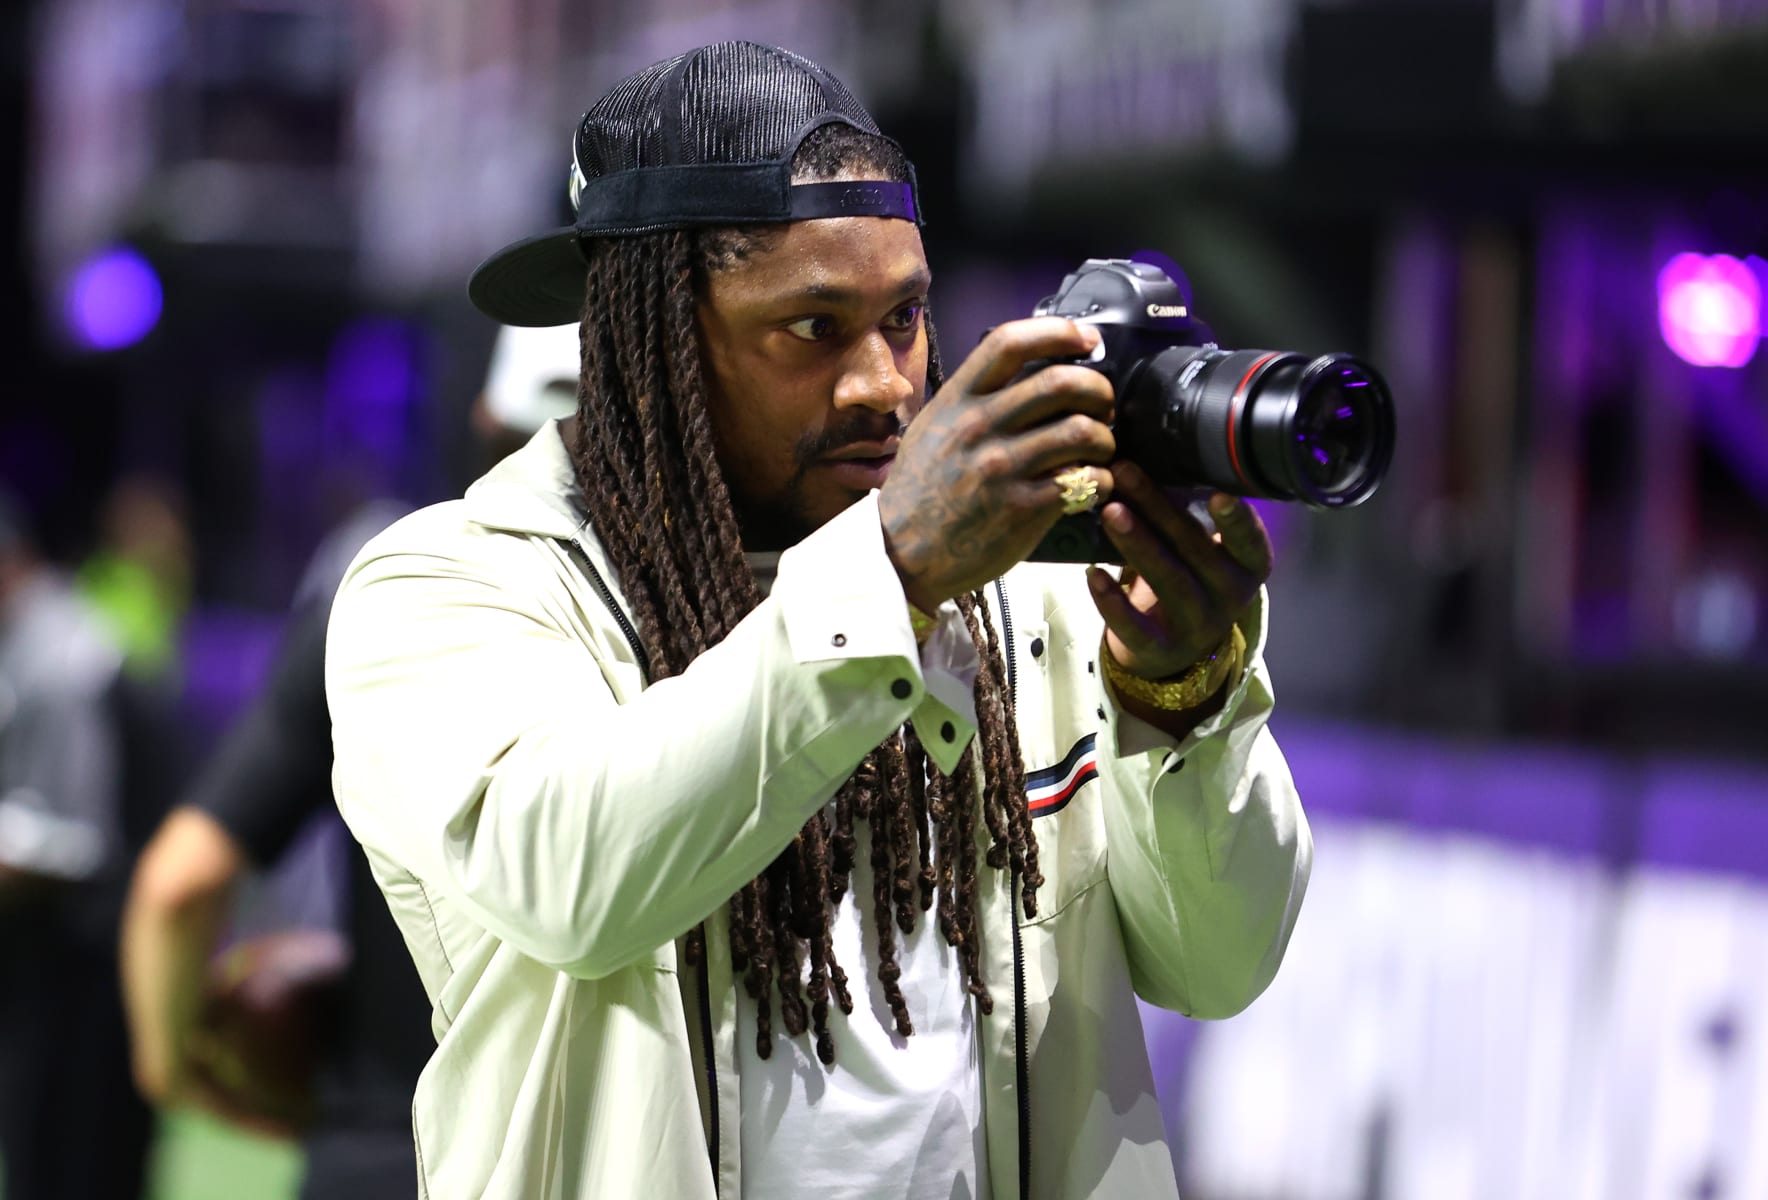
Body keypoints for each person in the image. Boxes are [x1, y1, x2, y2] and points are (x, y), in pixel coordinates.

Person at [326, 41, 1311, 1200]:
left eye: (904, 317)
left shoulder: (1028, 583)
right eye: (812, 328)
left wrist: (1185, 709)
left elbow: (1219, 964)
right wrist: (892, 569)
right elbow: (578, 884)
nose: (885, 383)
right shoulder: (453, 585)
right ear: (651, 341)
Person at [120, 324, 580, 1197]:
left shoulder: (381, 601)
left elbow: (179, 883)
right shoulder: (708, 622)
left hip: (386, 1148)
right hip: (593, 1154)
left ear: (483, 417)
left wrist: (172, 1071)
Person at [0, 488, 156, 1200]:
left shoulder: (63, 653)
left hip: (89, 963)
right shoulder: (33, 639)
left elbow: (72, 844)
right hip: (65, 957)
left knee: (70, 1159)